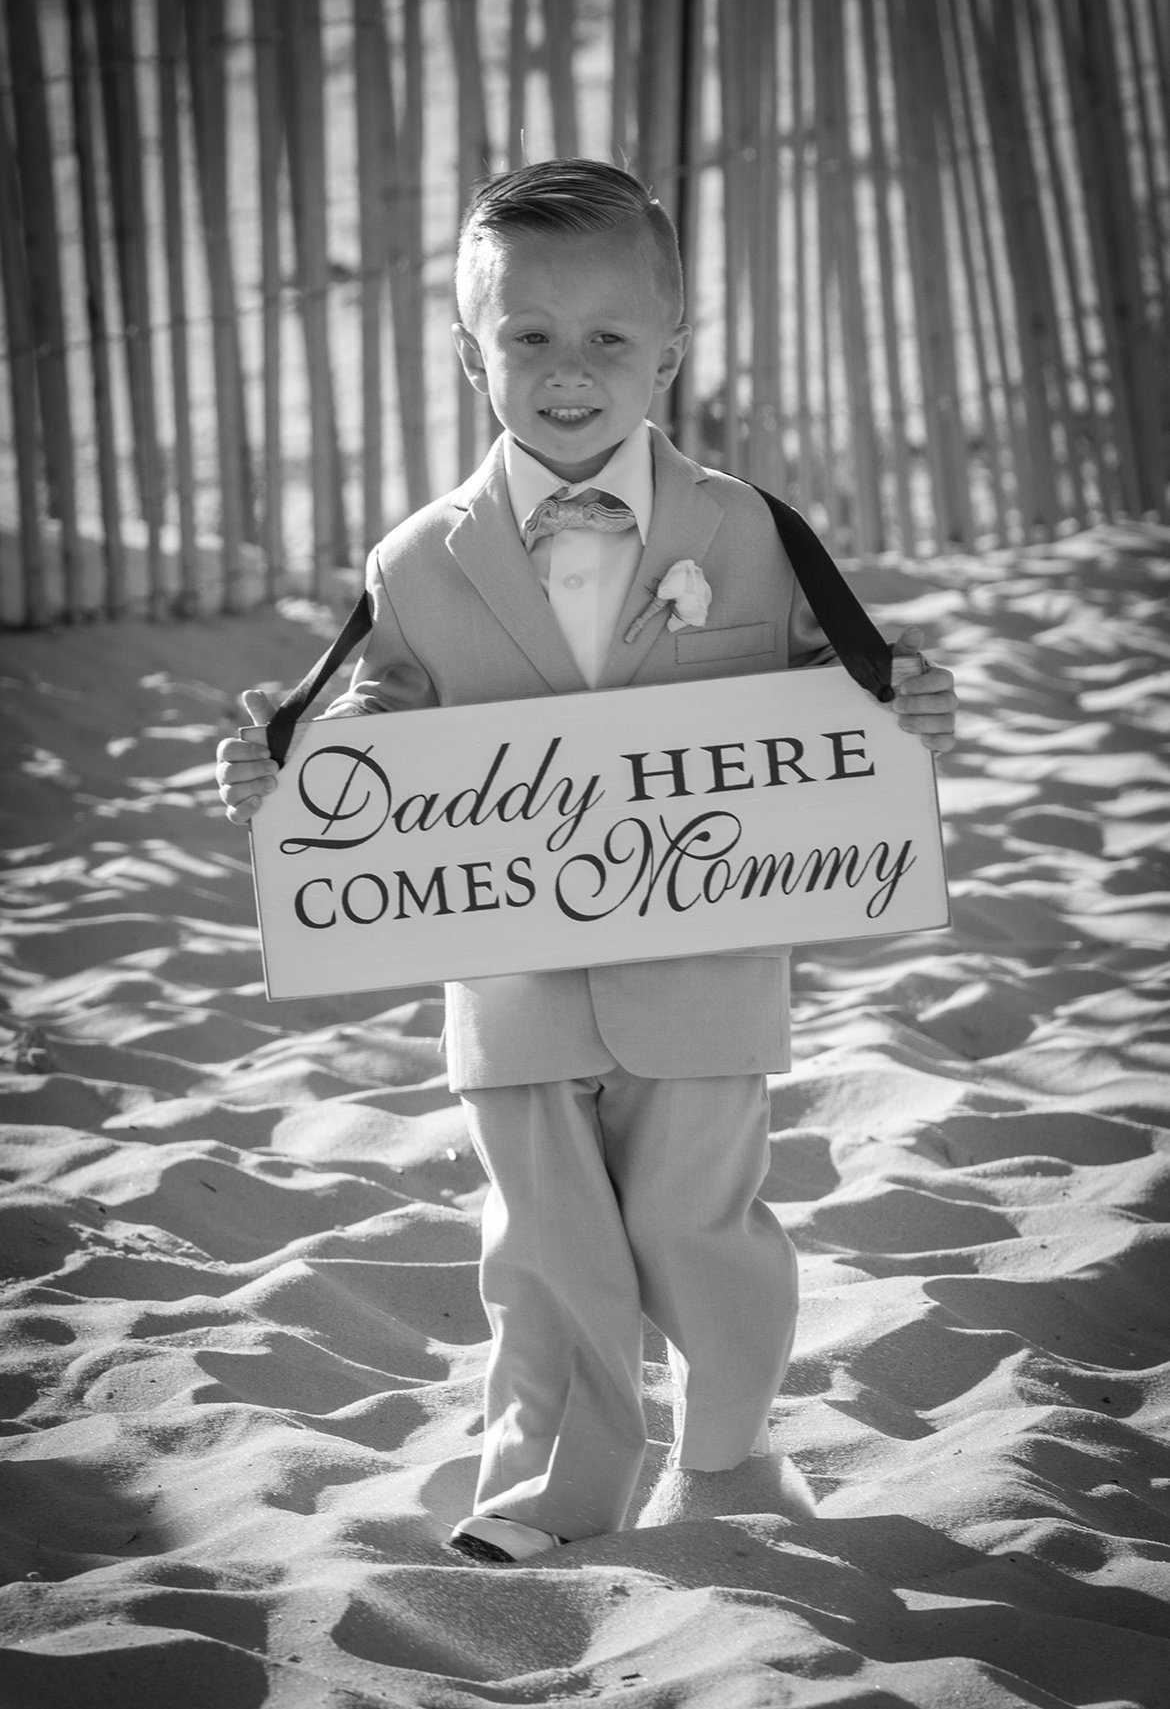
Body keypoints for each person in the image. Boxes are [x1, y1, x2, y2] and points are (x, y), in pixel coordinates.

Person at [216, 160, 957, 1564]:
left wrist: (910, 708)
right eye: (527, 336)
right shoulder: (413, 558)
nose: (568, 369)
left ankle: (729, 1460)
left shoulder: (751, 531)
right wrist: (285, 773)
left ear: (667, 355)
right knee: (540, 1246)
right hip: (506, 970)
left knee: (701, 1227)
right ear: (467, 351)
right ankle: (550, 1486)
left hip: (704, 966)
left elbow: (844, 696)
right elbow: (378, 725)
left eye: (608, 338)